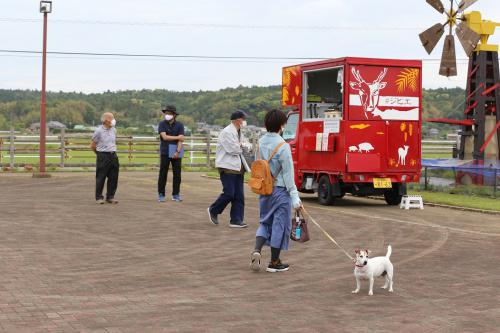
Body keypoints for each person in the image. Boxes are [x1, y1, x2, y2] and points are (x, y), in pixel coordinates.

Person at [250, 109, 303, 273]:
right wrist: (295, 198)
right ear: (282, 125)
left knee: (265, 221)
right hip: (280, 191)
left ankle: (257, 250)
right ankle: (274, 261)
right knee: (280, 224)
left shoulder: (260, 142)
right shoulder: (283, 146)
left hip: (264, 189)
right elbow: (288, 175)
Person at [207, 110, 249, 228]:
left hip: (238, 167)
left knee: (239, 195)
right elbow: (233, 149)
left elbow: (248, 145)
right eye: (243, 119)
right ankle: (213, 210)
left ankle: (236, 220)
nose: (244, 121)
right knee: (229, 193)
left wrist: (242, 146)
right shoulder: (227, 132)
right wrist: (242, 146)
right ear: (237, 120)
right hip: (227, 167)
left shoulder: (240, 132)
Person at [90, 112, 119, 204]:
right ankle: (99, 197)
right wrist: (99, 154)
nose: (113, 120)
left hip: (113, 155)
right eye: (111, 118)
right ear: (106, 120)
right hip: (103, 155)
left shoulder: (114, 130)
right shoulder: (98, 131)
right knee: (101, 177)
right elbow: (93, 145)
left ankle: (110, 197)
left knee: (113, 177)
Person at [157, 105, 185, 202]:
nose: (167, 115)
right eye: (166, 113)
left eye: (169, 113)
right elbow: (164, 137)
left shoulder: (180, 125)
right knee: (163, 173)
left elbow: (181, 140)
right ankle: (161, 194)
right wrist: (177, 138)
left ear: (174, 115)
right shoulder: (162, 124)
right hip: (165, 150)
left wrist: (177, 151)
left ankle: (176, 194)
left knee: (177, 174)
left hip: (176, 149)